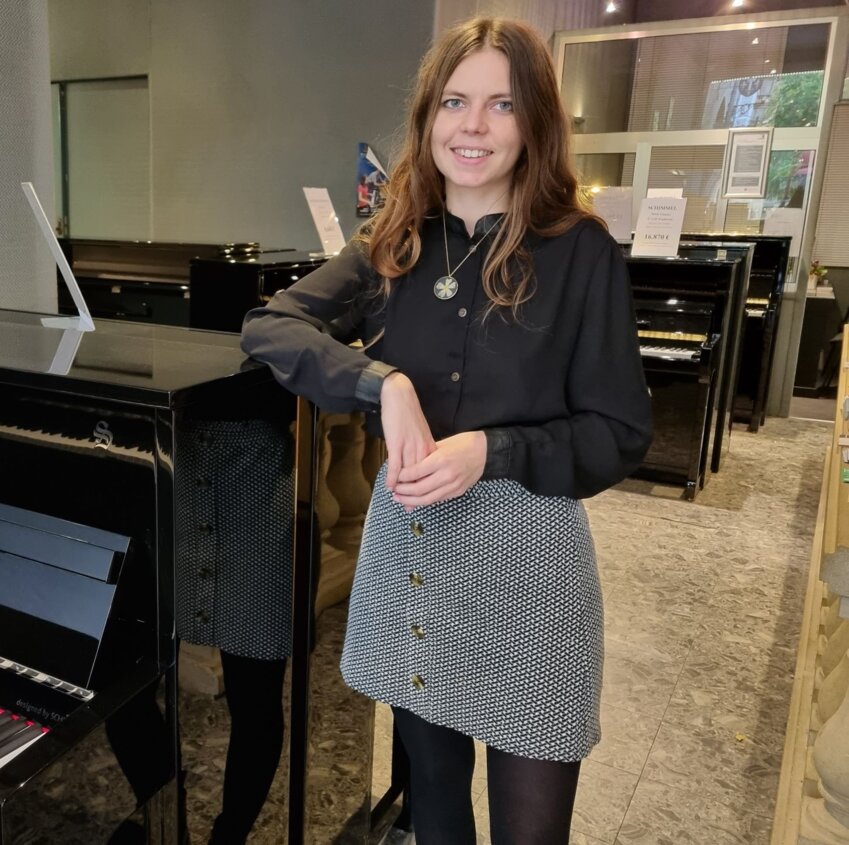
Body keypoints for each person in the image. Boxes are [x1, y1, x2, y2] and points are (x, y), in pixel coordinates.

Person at [241, 16, 652, 844]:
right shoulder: (392, 245)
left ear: (535, 122)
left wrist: (490, 450)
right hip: (416, 557)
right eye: (455, 102)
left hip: (529, 569)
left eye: (501, 105)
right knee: (432, 808)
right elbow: (269, 324)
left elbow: (617, 431)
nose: (473, 126)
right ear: (428, 116)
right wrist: (379, 381)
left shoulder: (583, 254)